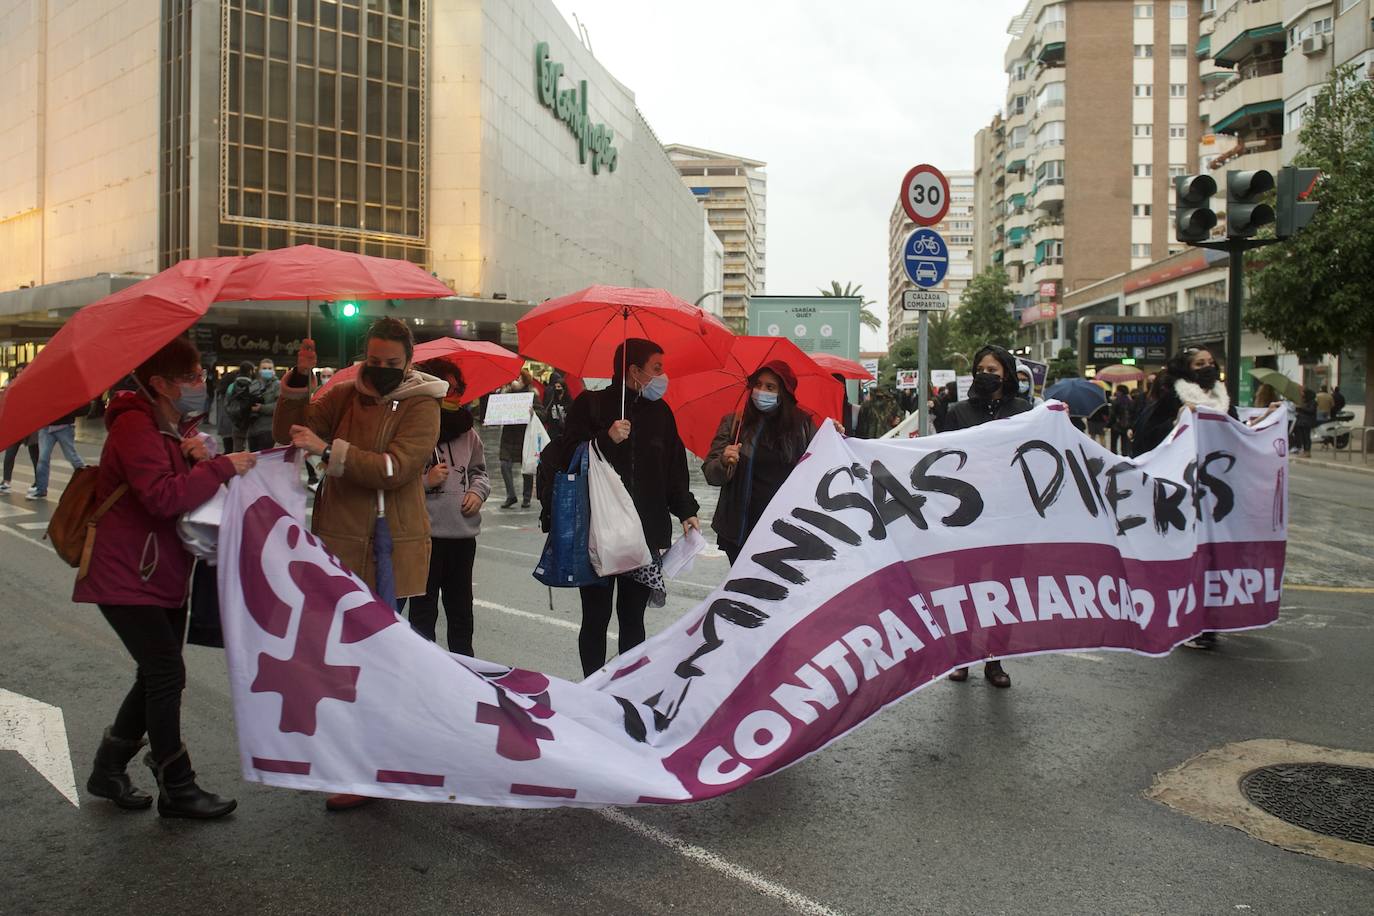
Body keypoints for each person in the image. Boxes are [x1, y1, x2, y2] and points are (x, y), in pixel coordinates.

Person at [74, 336, 255, 818]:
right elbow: (161, 497)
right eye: (190, 377)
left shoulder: (170, 426)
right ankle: (177, 782)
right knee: (165, 674)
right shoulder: (135, 426)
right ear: (158, 384)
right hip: (126, 572)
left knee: (156, 673)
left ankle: (108, 768)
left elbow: (174, 487)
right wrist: (217, 467)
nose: (201, 383)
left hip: (159, 572)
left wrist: (195, 454)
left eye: (200, 374)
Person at [274, 317, 444, 811]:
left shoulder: (423, 404)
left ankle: (370, 766)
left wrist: (329, 450)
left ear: (409, 361)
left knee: (376, 661)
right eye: (374, 360)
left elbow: (396, 469)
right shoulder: (344, 393)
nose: (382, 369)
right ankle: (360, 759)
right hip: (337, 543)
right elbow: (292, 434)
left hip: (388, 544)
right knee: (342, 658)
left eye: (392, 363)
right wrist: (300, 382)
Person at [563, 337, 700, 678]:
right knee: (595, 617)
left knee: (633, 618)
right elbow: (564, 456)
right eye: (657, 368)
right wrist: (605, 439)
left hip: (645, 533)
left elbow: (673, 470)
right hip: (598, 531)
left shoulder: (662, 413)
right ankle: (593, 687)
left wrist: (686, 510)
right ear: (634, 371)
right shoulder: (590, 405)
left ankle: (626, 690)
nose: (662, 375)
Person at [940, 344, 1030, 688]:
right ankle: (961, 656)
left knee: (1002, 588)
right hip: (967, 515)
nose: (986, 374)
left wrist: (1057, 417)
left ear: (1006, 374)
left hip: (1008, 515)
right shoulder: (957, 411)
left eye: (993, 370)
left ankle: (995, 660)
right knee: (964, 586)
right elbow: (940, 455)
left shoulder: (1023, 410)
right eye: (981, 368)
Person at [408, 359, 490, 655]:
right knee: (423, 616)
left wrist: (478, 494)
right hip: (425, 537)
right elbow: (398, 482)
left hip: (462, 537)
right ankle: (425, 676)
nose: (454, 395)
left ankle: (465, 678)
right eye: (447, 388)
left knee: (461, 616)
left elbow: (481, 472)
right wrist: (427, 480)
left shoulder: (469, 434)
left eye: (458, 389)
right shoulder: (415, 431)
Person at [702, 361, 817, 565]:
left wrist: (834, 436)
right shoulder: (734, 423)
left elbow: (819, 469)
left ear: (784, 393)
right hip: (739, 531)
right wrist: (723, 461)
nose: (761, 391)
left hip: (784, 532)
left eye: (770, 387)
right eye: (758, 384)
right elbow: (711, 474)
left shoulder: (803, 426)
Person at [1132, 346, 1237, 459]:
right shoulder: (1172, 399)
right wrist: (1176, 422)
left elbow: (1237, 436)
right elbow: (1146, 440)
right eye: (1200, 364)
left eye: (1211, 363)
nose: (1208, 367)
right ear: (1185, 369)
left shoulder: (1223, 401)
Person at [25, 403, 90, 501]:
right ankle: (41, 489)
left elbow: (84, 408)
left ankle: (88, 481)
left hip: (64, 426)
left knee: (72, 456)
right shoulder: (44, 390)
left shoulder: (70, 390)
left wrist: (68, 410)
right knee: (43, 458)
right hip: (46, 426)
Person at [498, 369, 541, 509]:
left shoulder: (532, 395)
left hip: (525, 435)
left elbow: (542, 413)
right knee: (505, 464)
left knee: (526, 467)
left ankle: (526, 497)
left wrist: (533, 413)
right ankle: (511, 495)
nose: (516, 380)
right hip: (508, 436)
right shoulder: (507, 394)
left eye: (519, 378)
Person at [542, 375, 574, 440]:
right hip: (553, 430)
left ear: (563, 388)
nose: (557, 389)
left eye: (559, 387)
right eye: (556, 387)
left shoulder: (569, 400)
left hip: (565, 429)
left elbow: (572, 412)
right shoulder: (552, 399)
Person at [1109, 384, 1136, 455]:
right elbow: (1133, 414)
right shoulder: (1131, 402)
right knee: (1125, 444)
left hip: (1116, 425)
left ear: (1120, 391)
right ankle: (1124, 457)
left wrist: (1109, 424)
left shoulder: (1116, 401)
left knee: (1113, 444)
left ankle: (1113, 457)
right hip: (1127, 425)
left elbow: (1112, 414)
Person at [1292, 389, 1316, 457]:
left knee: (1306, 437)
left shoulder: (1313, 402)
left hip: (1307, 422)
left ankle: (1307, 451)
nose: (1303, 395)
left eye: (1304, 393)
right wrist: (1297, 409)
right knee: (1302, 437)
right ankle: (1304, 451)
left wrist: (1301, 408)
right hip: (1302, 421)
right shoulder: (1304, 401)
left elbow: (1311, 410)